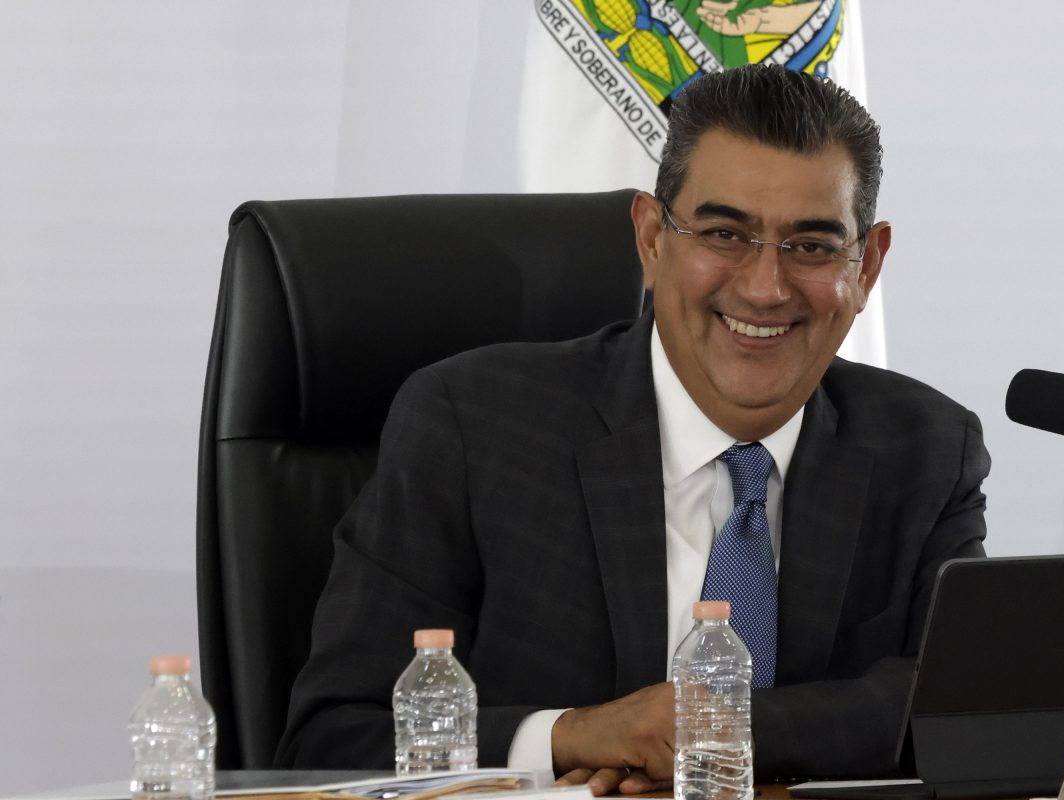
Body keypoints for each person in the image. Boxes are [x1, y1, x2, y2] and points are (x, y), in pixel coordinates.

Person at [276, 64, 990, 791]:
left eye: (810, 246)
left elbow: (961, 708)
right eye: (724, 234)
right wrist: (574, 736)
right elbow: (335, 738)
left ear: (866, 266)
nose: (764, 288)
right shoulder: (470, 427)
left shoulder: (926, 451)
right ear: (652, 240)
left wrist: (707, 738)